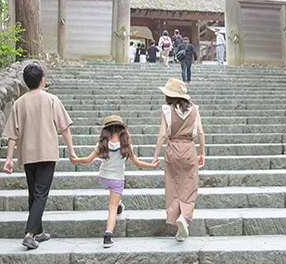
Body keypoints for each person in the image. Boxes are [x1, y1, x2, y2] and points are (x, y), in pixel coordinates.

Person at [2, 63, 77, 250]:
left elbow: (13, 134)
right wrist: (71, 150)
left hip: (27, 154)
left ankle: (39, 232)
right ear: (42, 80)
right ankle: (29, 234)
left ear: (26, 82)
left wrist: (9, 159)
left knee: (33, 193)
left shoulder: (19, 103)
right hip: (47, 153)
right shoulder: (51, 100)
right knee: (41, 193)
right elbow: (64, 128)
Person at [71, 115, 159, 247]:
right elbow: (137, 163)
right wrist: (152, 166)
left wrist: (75, 159)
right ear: (122, 129)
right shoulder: (127, 145)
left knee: (115, 202)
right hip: (117, 180)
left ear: (106, 130)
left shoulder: (101, 144)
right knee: (112, 207)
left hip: (104, 178)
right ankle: (108, 236)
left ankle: (119, 204)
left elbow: (88, 160)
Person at [152, 79, 205, 242]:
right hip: (189, 148)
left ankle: (178, 224)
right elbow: (201, 132)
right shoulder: (194, 109)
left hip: (173, 148)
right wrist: (202, 152)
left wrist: (155, 155)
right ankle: (184, 217)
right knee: (189, 186)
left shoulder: (167, 110)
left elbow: (162, 134)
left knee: (173, 185)